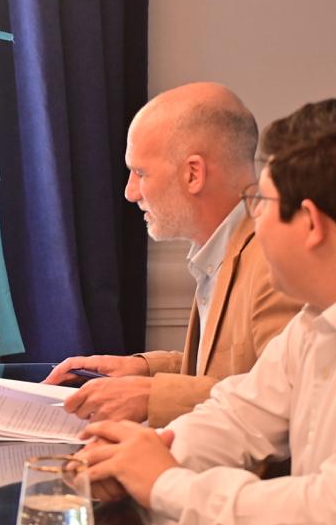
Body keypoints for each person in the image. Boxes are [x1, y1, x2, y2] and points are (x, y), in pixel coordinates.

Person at [81, 96, 336, 525]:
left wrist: (169, 485)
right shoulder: (317, 318)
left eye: (260, 202)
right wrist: (135, 460)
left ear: (311, 223)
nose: (252, 220)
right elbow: (239, 416)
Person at [44, 83, 300, 426]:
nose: (130, 192)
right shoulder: (224, 247)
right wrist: (144, 368)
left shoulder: (274, 260)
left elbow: (285, 396)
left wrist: (153, 395)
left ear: (194, 174)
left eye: (140, 173)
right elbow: (236, 369)